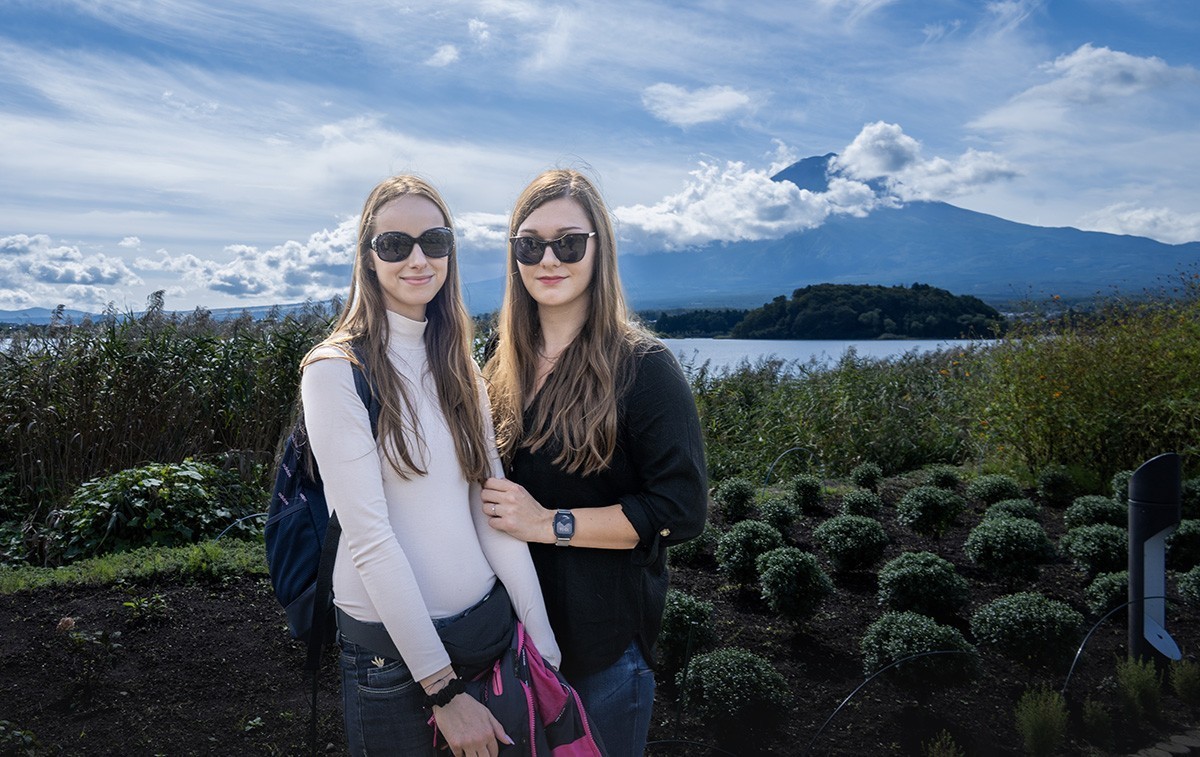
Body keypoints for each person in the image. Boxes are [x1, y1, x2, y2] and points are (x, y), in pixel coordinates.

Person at [299, 175, 561, 757]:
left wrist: (543, 648)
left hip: (488, 638)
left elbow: (487, 504)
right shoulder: (335, 371)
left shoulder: (458, 362)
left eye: (434, 241)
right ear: (368, 258)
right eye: (394, 244)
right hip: (393, 665)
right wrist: (442, 691)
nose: (417, 259)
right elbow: (368, 539)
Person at [481, 168, 708, 756]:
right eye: (530, 244)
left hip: (600, 652)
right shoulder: (500, 365)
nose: (548, 258)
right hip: (511, 642)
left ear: (599, 249)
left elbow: (680, 510)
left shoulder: (642, 366)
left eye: (569, 241)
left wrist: (547, 522)